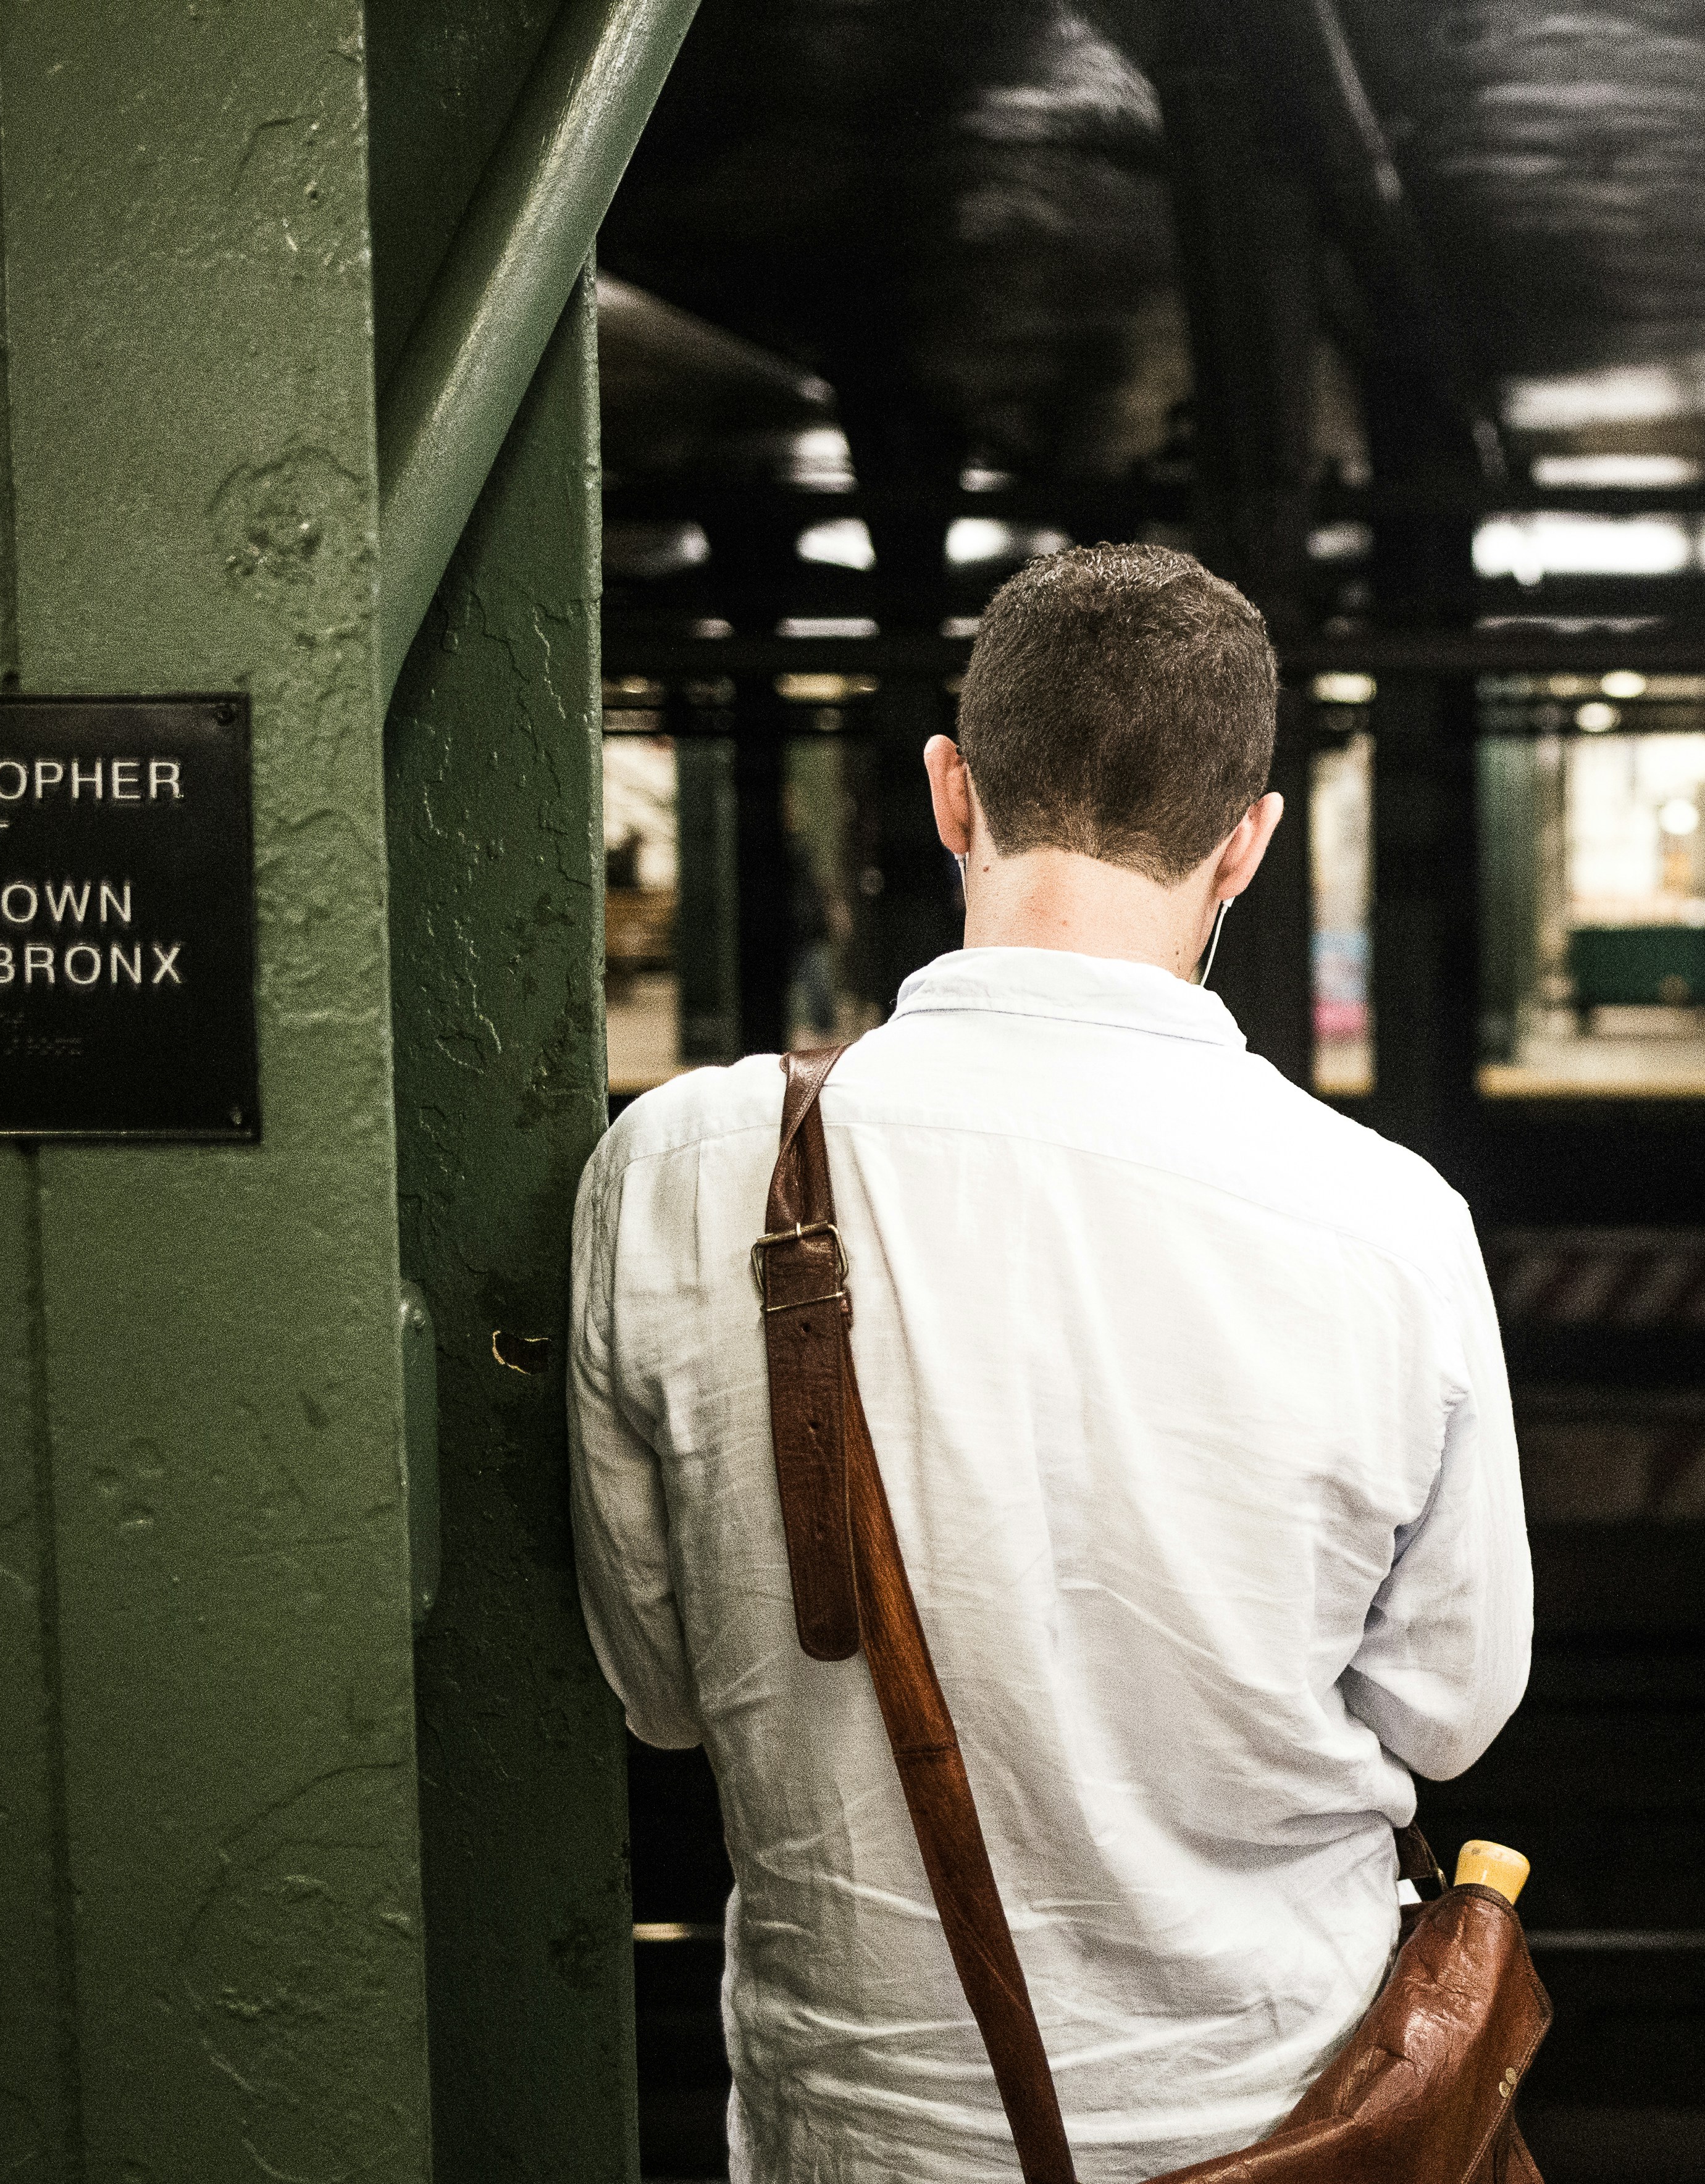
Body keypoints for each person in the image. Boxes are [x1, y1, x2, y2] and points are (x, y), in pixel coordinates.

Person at [569, 543, 1533, 2184]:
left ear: (951, 794)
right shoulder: (1389, 1224)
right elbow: (1445, 1714)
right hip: (1283, 2135)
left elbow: (658, 1693)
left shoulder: (677, 1168)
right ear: (1249, 840)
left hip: (856, 2144)